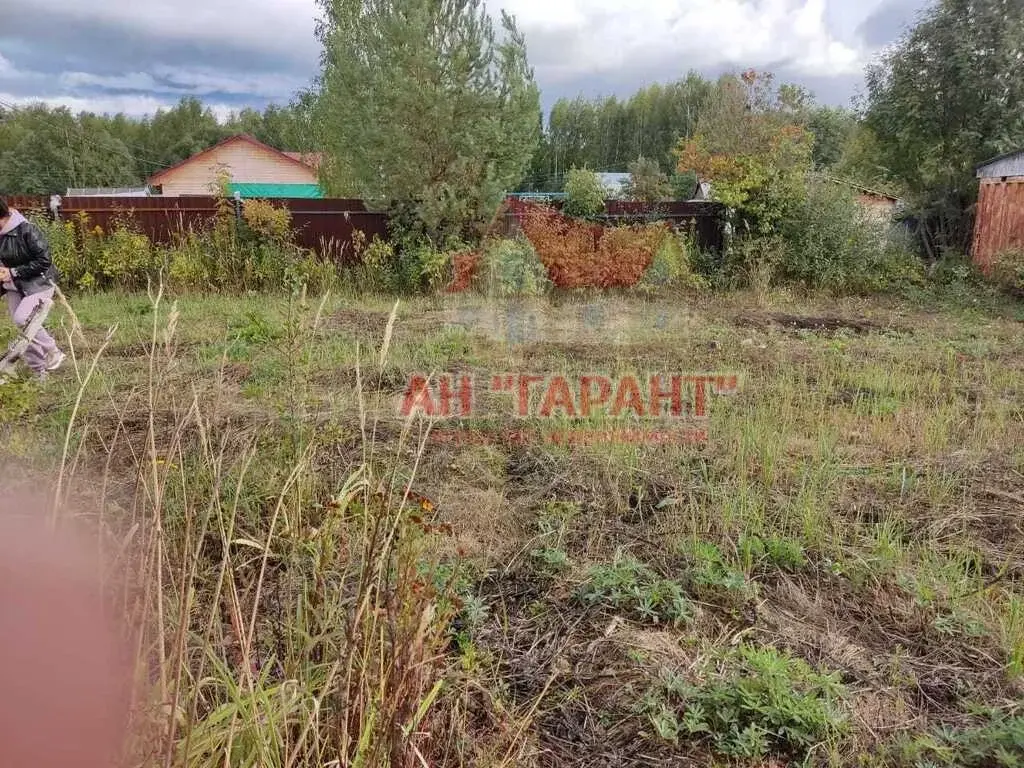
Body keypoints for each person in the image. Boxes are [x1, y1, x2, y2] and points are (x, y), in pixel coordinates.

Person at [0, 198, 65, 378]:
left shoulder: (26, 229)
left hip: (39, 283)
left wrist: (13, 272)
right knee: (24, 329)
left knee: (23, 319)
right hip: (14, 286)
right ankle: (39, 372)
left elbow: (44, 261)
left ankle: (53, 351)